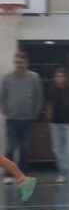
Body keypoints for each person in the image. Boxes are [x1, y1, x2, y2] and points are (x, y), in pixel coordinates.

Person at [1, 51, 43, 183]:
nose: (19, 65)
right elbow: (2, 96)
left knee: (25, 148)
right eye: (16, 63)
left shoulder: (34, 77)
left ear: (26, 63)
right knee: (10, 148)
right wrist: (6, 111)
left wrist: (35, 113)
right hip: (12, 119)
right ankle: (8, 175)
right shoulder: (7, 78)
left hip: (28, 120)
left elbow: (39, 96)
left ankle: (22, 175)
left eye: (21, 63)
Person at [45, 67, 69, 183]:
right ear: (54, 78)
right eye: (57, 76)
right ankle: (61, 173)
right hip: (55, 124)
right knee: (58, 150)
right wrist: (48, 120)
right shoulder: (51, 91)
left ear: (66, 78)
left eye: (62, 76)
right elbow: (49, 106)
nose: (59, 78)